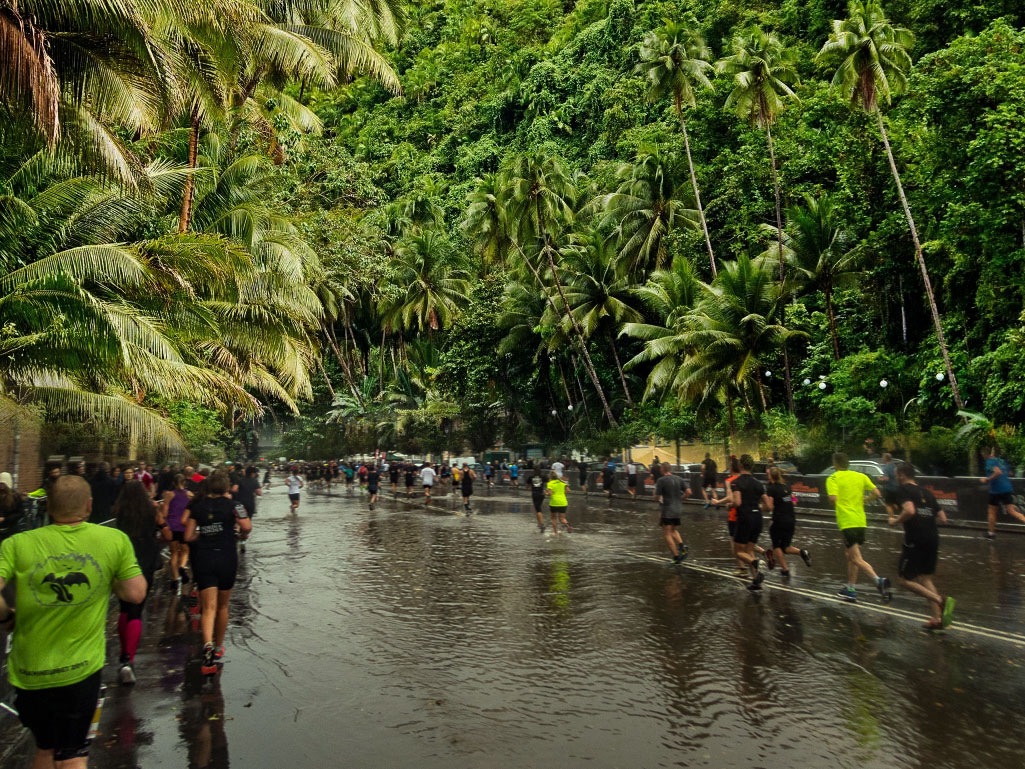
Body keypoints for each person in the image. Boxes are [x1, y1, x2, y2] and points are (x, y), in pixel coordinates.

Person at [0, 476, 146, 769]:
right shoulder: (113, 539)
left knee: (44, 748)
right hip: (81, 673)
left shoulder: (17, 544)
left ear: (49, 507)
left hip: (30, 673)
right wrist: (109, 580)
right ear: (89, 506)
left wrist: (6, 616)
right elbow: (136, 592)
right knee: (73, 754)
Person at [185, 472, 251, 676]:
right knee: (223, 606)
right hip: (227, 557)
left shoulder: (197, 506)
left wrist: (202, 536)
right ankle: (218, 647)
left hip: (204, 558)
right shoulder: (235, 505)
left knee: (208, 608)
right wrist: (241, 535)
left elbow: (188, 535)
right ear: (226, 487)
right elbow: (247, 526)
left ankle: (207, 644)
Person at [889, 463, 955, 629]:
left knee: (904, 580)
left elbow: (909, 511)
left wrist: (895, 521)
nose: (896, 478)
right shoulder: (927, 492)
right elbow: (943, 518)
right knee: (925, 577)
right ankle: (937, 619)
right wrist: (926, 519)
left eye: (897, 474)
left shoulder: (903, 490)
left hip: (915, 540)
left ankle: (941, 601)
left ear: (902, 475)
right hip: (933, 538)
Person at [113, 480, 164, 685]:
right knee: (137, 609)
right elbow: (164, 531)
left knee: (125, 609)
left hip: (125, 559)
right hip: (146, 560)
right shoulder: (152, 510)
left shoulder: (120, 511)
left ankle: (123, 655)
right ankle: (129, 659)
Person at [826, 452, 891, 603]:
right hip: (861, 521)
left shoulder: (833, 478)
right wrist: (864, 500)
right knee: (850, 557)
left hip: (847, 522)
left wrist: (838, 501)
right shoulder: (860, 476)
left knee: (856, 558)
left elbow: (833, 499)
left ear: (835, 464)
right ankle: (850, 589)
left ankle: (878, 581)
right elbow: (877, 493)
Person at [764, 466, 811, 578]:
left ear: (771, 476)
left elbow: (770, 507)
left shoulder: (771, 489)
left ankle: (785, 569)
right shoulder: (786, 486)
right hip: (791, 519)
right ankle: (802, 552)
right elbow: (794, 501)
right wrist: (789, 500)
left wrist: (761, 506)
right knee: (785, 547)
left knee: (776, 546)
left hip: (779, 520)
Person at [731, 455, 769, 590]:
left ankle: (756, 562)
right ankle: (756, 581)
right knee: (749, 549)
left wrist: (730, 505)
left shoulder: (737, 482)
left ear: (740, 465)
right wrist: (757, 507)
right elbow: (769, 506)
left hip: (745, 518)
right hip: (757, 519)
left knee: (739, 552)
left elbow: (737, 502)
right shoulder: (758, 483)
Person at [980, 445, 1025, 539]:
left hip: (996, 490)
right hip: (1007, 488)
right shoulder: (1001, 461)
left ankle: (991, 534)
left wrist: (987, 479)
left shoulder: (989, 461)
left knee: (992, 511)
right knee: (1012, 511)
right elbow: (1010, 473)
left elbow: (998, 472)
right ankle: (991, 533)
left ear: (984, 454)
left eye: (982, 455)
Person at [161, 473, 193, 590]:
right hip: (184, 527)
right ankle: (183, 566)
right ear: (185, 482)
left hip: (172, 526)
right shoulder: (190, 494)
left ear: (173, 483)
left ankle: (175, 579)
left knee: (174, 553)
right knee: (185, 551)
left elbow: (164, 513)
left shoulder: (169, 494)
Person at [655, 462, 690, 563]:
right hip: (677, 509)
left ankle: (676, 557)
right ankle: (682, 547)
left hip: (667, 510)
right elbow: (688, 492)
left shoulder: (661, 480)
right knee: (673, 530)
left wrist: (656, 498)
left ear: (662, 469)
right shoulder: (679, 479)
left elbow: (657, 497)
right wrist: (681, 499)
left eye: (660, 468)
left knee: (667, 534)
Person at [0, 471, 23, 540]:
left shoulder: (15, 496)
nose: (1, 485)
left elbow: (20, 513)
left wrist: (5, 519)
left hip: (10, 528)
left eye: (3, 483)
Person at [879, 452, 900, 518]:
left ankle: (891, 518)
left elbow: (886, 478)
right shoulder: (894, 466)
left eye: (883, 457)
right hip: (897, 487)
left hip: (889, 488)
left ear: (885, 459)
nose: (882, 458)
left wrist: (880, 479)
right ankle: (902, 515)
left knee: (888, 505)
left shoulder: (885, 468)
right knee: (895, 503)